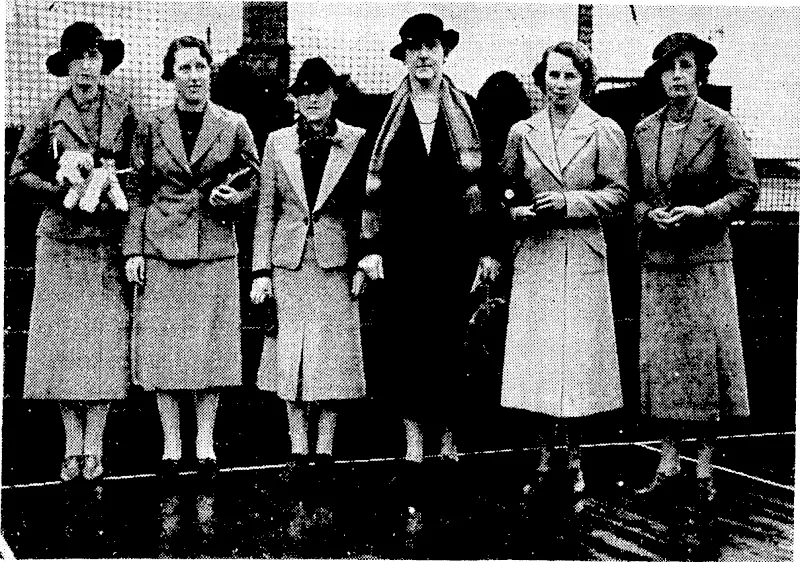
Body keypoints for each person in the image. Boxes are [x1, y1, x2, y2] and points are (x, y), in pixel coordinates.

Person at [358, 13, 502, 501]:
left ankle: (448, 445)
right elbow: (371, 188)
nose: (424, 55)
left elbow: (482, 187)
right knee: (407, 349)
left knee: (450, 348)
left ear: (445, 53)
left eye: (433, 46)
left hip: (453, 254)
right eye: (415, 47)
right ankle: (413, 450)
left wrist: (486, 250)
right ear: (405, 55)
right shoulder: (387, 117)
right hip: (403, 254)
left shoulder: (468, 112)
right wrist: (371, 249)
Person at [124, 36, 259, 478]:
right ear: (171, 76)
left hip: (215, 248)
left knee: (211, 350)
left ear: (210, 71)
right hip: (162, 248)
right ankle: (170, 446)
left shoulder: (235, 123)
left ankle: (204, 444)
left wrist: (233, 196)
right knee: (165, 352)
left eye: (200, 66)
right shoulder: (148, 124)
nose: (194, 76)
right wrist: (134, 249)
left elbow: (256, 181)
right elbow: (137, 190)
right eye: (184, 68)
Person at [631, 33, 758, 502]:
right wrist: (649, 214)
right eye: (669, 68)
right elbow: (634, 195)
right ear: (660, 77)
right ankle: (666, 465)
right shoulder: (644, 130)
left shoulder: (723, 126)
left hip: (705, 261)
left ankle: (704, 470)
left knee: (705, 365)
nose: (678, 76)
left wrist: (705, 214)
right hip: (660, 262)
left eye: (685, 66)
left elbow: (746, 188)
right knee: (665, 366)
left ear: (700, 74)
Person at [499, 41, 627, 496]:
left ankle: (573, 461)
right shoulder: (522, 131)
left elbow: (619, 195)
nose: (560, 85)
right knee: (538, 364)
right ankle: (541, 459)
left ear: (584, 81)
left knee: (575, 365)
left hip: (580, 257)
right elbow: (507, 189)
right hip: (536, 256)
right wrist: (515, 213)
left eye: (570, 76)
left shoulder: (603, 129)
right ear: (542, 80)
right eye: (552, 76)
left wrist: (572, 202)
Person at [10, 21, 135, 482]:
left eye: (94, 57)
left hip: (105, 241)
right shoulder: (48, 111)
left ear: (104, 63)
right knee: (62, 346)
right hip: (60, 241)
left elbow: (138, 172)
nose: (86, 67)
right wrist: (58, 190)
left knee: (102, 343)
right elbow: (18, 172)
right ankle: (71, 448)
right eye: (78, 58)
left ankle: (96, 447)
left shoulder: (125, 111)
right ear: (67, 65)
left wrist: (113, 189)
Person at [250, 57, 368, 484]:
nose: (312, 99)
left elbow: (365, 209)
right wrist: (260, 272)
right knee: (291, 358)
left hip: (337, 264)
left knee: (332, 357)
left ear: (335, 95)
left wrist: (363, 261)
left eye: (320, 91)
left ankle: (325, 448)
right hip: (288, 263)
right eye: (304, 92)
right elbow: (267, 210)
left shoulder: (358, 141)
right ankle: (297, 447)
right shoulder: (277, 142)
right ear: (294, 99)